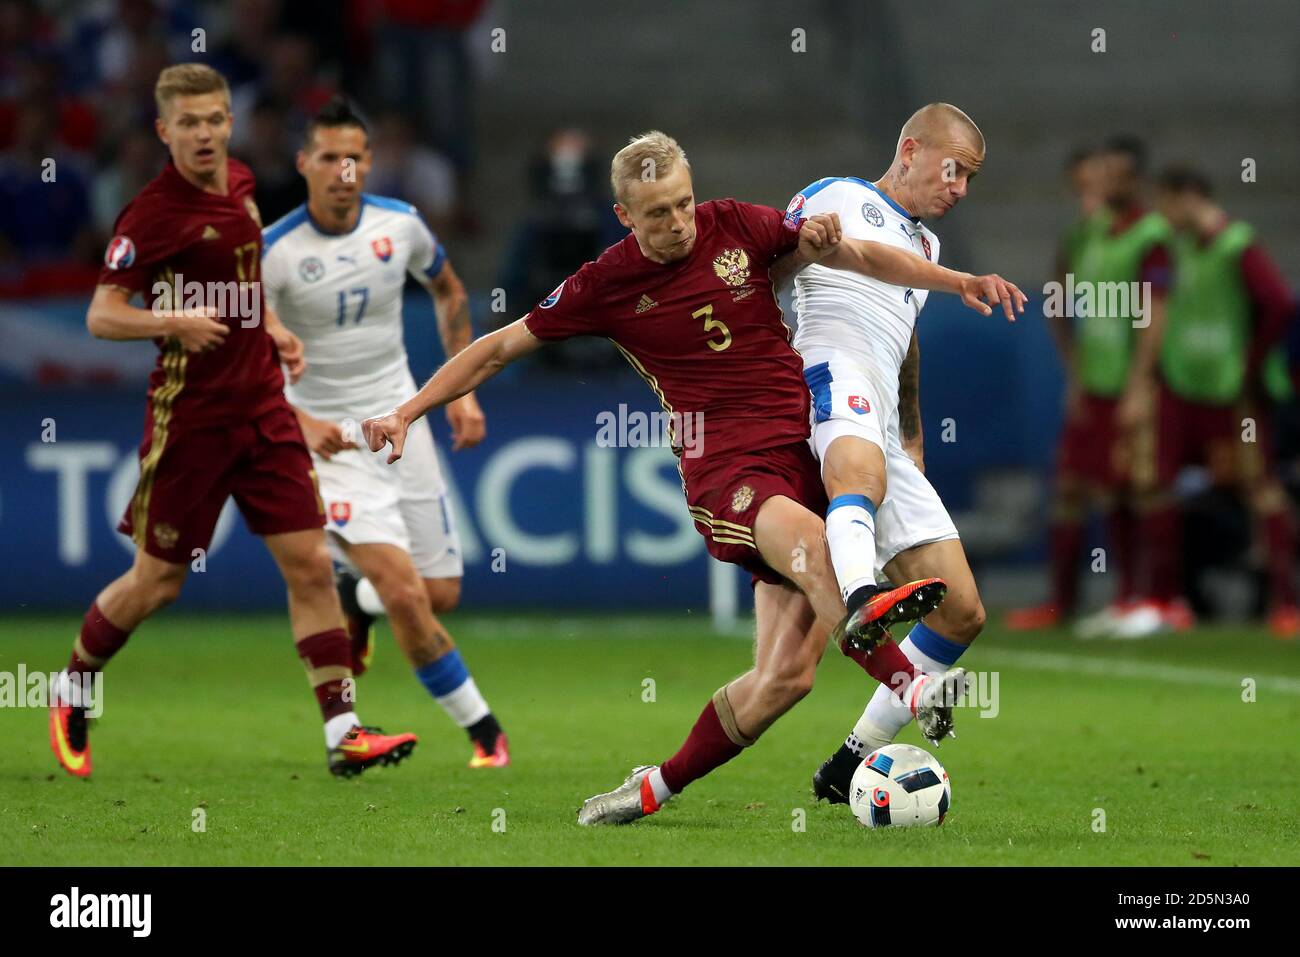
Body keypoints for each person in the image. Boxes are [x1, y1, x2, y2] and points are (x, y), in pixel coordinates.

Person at [363, 132, 1015, 825]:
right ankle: (910, 686)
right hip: (729, 469)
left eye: (682, 204)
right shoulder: (603, 283)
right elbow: (498, 348)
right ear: (623, 216)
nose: (677, 224)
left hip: (798, 449)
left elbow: (854, 254)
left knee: (784, 679)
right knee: (819, 548)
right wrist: (408, 412)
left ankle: (653, 787)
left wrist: (955, 280)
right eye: (656, 214)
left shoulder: (735, 222)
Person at [49, 64, 416, 780]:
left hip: (265, 408)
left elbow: (244, 282)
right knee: (157, 582)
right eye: (189, 123)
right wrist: (171, 320)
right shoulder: (152, 215)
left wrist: (271, 327)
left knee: (311, 564)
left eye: (215, 119)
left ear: (228, 121)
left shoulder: (243, 183)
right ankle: (72, 683)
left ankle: (343, 731)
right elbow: (102, 314)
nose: (206, 133)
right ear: (164, 131)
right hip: (193, 419)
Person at [781, 103, 1026, 804]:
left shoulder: (929, 249)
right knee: (856, 477)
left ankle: (847, 762)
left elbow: (906, 342)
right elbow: (841, 262)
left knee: (962, 611)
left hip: (881, 413)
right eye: (955, 171)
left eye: (972, 179)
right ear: (912, 150)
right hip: (830, 374)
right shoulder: (838, 197)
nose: (961, 189)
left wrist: (911, 431)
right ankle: (862, 600)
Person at [261, 96, 509, 766]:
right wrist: (299, 420)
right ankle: (486, 735)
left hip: (402, 420)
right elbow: (244, 354)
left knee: (440, 594)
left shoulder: (400, 227)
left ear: (370, 163)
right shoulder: (274, 252)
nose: (345, 170)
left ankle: (356, 600)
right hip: (329, 443)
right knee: (404, 590)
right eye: (330, 157)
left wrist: (461, 393)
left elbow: (451, 291)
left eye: (357, 157)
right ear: (304, 163)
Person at [1010, 136, 1175, 637]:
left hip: (1135, 385)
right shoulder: (1089, 233)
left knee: (1142, 487)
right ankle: (1077, 602)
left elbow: (1156, 311)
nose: (1105, 182)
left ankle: (1159, 601)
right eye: (1102, 173)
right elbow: (1057, 292)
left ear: (1135, 180)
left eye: (1116, 174)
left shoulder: (1151, 236)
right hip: (1095, 386)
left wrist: (1141, 384)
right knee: (1085, 489)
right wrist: (1076, 369)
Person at [1130, 165, 1297, 639]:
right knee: (1155, 484)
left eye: (1167, 203)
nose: (1162, 215)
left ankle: (1287, 604)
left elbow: (1279, 302)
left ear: (1188, 197)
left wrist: (1250, 364)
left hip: (1231, 394)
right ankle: (1165, 602)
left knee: (1260, 488)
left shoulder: (1236, 245)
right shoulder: (1176, 248)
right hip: (1182, 387)